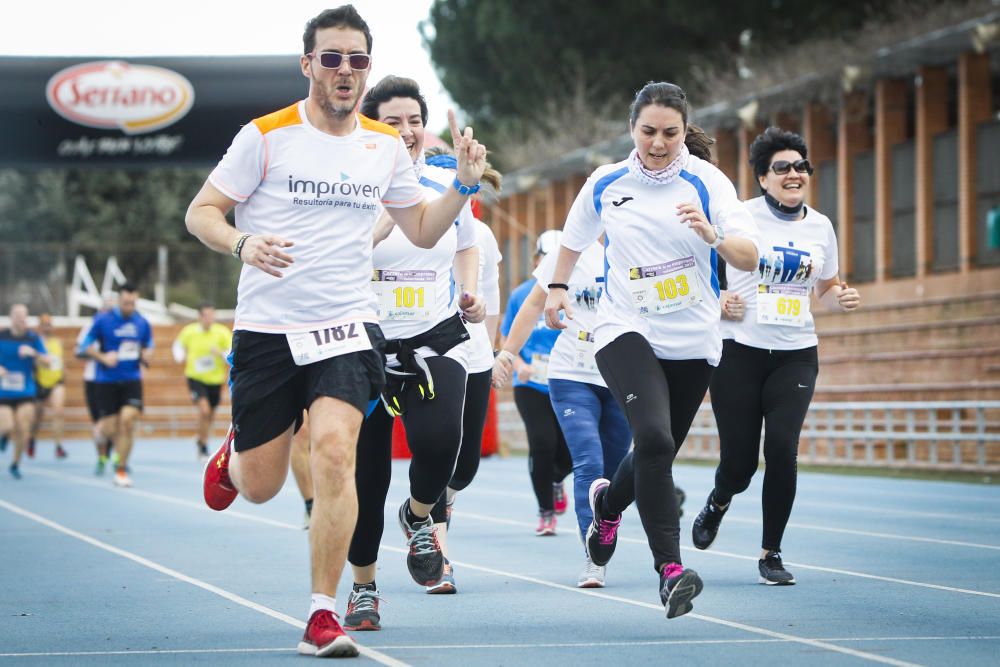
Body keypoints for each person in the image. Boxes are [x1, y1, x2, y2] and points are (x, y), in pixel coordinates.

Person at [185, 5, 487, 657]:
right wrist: (241, 242)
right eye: (331, 58)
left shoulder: (382, 146)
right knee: (263, 484)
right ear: (308, 65)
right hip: (268, 327)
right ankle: (237, 457)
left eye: (356, 59)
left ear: (366, 68)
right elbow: (201, 211)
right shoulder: (264, 136)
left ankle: (325, 611)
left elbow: (424, 229)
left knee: (333, 452)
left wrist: (462, 184)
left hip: (349, 326)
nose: (344, 70)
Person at [543, 81, 759, 618]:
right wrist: (557, 288)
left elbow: (749, 255)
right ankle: (670, 570)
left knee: (652, 455)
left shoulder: (708, 181)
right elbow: (571, 239)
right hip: (624, 327)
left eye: (670, 133)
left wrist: (711, 235)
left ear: (685, 132)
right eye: (648, 132)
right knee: (656, 439)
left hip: (693, 339)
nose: (658, 143)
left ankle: (607, 507)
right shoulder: (606, 182)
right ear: (631, 129)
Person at [343, 75, 484, 632]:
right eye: (392, 121)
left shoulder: (449, 177)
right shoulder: (347, 184)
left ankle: (420, 515)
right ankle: (362, 592)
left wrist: (468, 290)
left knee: (441, 442)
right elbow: (339, 253)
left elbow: (466, 242)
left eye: (414, 121)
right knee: (367, 480)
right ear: (371, 125)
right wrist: (379, 217)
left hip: (435, 332)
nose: (406, 131)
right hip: (364, 345)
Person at [692, 126, 861, 585]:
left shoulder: (821, 226)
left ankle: (772, 553)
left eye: (800, 166)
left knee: (783, 448)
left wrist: (837, 298)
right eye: (781, 167)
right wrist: (722, 300)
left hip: (796, 353)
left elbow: (825, 286)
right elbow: (703, 275)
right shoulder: (741, 217)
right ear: (762, 178)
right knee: (741, 464)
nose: (794, 174)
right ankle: (719, 500)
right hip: (739, 353)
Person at [424, 147, 503, 595]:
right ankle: (439, 558)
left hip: (473, 354)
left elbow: (488, 296)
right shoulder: (406, 228)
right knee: (436, 449)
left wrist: (492, 353)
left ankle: (441, 500)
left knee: (465, 466)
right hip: (429, 350)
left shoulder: (482, 238)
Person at [499, 229, 573, 536]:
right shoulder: (522, 295)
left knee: (571, 450)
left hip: (568, 379)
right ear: (537, 260)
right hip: (531, 384)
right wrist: (518, 364)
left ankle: (556, 478)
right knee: (542, 444)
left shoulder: (574, 292)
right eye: (546, 258)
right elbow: (505, 338)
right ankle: (545, 511)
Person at [78, 283, 154, 488]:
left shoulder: (142, 322)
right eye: (126, 302)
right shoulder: (103, 320)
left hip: (131, 379)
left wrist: (147, 354)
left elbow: (149, 346)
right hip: (106, 381)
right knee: (109, 428)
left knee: (128, 421)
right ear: (120, 300)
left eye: (133, 303)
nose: (130, 306)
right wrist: (102, 357)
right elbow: (84, 345)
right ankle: (105, 444)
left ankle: (121, 468)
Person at [172, 304, 233, 462]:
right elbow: (178, 345)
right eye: (206, 315)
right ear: (200, 316)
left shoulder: (221, 332)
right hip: (195, 377)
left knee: (210, 414)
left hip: (215, 379)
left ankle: (201, 437)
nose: (209, 319)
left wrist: (219, 353)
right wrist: (180, 357)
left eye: (211, 315)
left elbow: (231, 352)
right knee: (204, 411)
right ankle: (203, 446)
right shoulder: (190, 331)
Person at [1, 304, 50, 479]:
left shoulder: (32, 338)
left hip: (26, 391)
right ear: (11, 317)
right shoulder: (2, 336)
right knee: (7, 425)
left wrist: (34, 353)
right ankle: (4, 435)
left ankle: (15, 463)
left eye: (24, 317)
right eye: (18, 316)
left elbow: (48, 361)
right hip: (4, 392)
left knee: (23, 427)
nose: (21, 320)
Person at [29, 313, 68, 460]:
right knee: (37, 416)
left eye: (49, 324)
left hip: (56, 381)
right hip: (40, 382)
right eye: (44, 324)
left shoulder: (58, 342)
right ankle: (32, 438)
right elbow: (32, 362)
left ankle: (58, 446)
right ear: (39, 326)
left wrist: (64, 373)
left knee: (58, 411)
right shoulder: (35, 342)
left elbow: (61, 361)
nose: (47, 327)